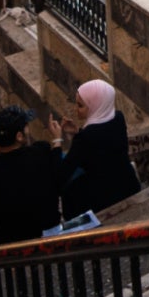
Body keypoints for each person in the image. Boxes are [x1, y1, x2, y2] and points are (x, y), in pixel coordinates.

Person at [0, 106, 65, 247]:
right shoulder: (40, 152)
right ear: (19, 136)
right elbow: (60, 178)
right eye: (26, 128)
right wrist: (57, 140)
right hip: (47, 235)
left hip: (10, 243)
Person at [57, 80, 139, 220]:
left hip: (103, 197)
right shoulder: (118, 118)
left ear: (94, 105)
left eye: (81, 105)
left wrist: (56, 141)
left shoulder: (85, 138)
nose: (76, 109)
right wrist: (78, 132)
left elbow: (62, 175)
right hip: (128, 184)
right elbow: (101, 146)